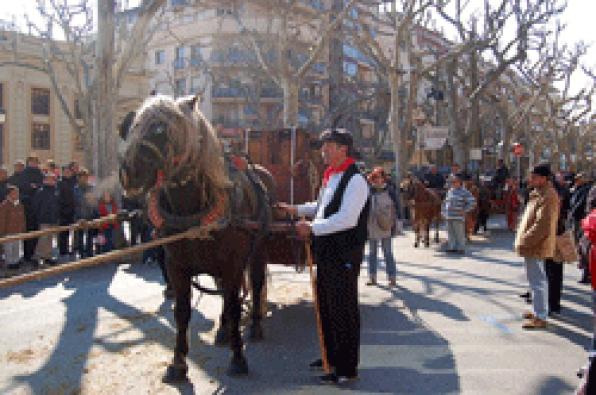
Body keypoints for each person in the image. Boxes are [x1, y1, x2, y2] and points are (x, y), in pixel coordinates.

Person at [277, 128, 369, 385]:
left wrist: (312, 228)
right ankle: (330, 356)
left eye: (329, 146)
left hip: (345, 254)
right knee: (326, 306)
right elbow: (321, 209)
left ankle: (346, 368)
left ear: (343, 150)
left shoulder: (356, 181)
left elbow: (347, 219)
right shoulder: (331, 178)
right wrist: (295, 209)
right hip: (327, 253)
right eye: (323, 146)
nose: (323, 151)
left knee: (343, 310)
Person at [514, 163, 559, 329]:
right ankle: (538, 310)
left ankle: (541, 316)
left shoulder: (548, 196)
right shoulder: (539, 193)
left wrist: (526, 239)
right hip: (533, 243)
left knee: (538, 280)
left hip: (536, 244)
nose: (530, 179)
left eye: (534, 177)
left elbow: (543, 224)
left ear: (544, 178)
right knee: (534, 279)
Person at [544, 175, 571, 316]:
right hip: (557, 234)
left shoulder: (553, 196)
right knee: (555, 272)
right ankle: (554, 304)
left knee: (551, 272)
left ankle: (552, 304)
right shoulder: (561, 192)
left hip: (553, 237)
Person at [366, 167, 397, 287]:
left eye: (380, 177)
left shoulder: (390, 191)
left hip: (386, 225)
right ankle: (372, 277)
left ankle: (392, 277)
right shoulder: (368, 191)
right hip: (372, 225)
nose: (378, 180)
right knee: (372, 253)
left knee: (388, 252)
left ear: (384, 178)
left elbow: (397, 207)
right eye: (376, 177)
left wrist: (397, 223)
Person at [17, 155, 44, 264]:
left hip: (38, 207)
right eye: (31, 161)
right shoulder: (24, 173)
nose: (33, 163)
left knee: (36, 231)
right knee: (27, 231)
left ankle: (34, 253)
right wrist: (30, 187)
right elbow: (21, 187)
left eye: (35, 161)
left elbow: (42, 186)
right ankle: (27, 254)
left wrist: (36, 186)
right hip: (27, 206)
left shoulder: (40, 173)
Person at [441, 174, 476, 253]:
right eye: (452, 182)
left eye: (455, 182)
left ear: (460, 182)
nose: (453, 183)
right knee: (450, 232)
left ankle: (461, 248)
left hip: (458, 216)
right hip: (449, 216)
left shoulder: (465, 192)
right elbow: (445, 202)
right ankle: (452, 247)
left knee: (459, 233)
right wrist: (443, 212)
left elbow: (473, 202)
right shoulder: (450, 191)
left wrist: (464, 210)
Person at [31, 172, 60, 266]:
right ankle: (37, 256)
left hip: (53, 218)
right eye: (49, 179)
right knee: (43, 238)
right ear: (45, 180)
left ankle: (47, 256)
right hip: (44, 219)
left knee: (50, 239)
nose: (52, 181)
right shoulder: (41, 191)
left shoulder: (56, 191)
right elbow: (36, 205)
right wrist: (38, 216)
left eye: (53, 179)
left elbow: (58, 205)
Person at [569, 173, 593, 283]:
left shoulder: (587, 189)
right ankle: (586, 271)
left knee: (584, 246)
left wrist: (573, 213)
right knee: (582, 245)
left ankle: (587, 273)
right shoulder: (579, 189)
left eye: (578, 179)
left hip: (584, 220)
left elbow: (582, 204)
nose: (576, 181)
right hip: (583, 219)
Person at [0, 185, 26, 270]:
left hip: (17, 231)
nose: (16, 194)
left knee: (17, 247)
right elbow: (2, 220)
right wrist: (2, 232)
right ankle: (9, 263)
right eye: (14, 193)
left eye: (17, 193)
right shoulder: (4, 205)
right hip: (8, 231)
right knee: (8, 249)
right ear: (9, 194)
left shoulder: (19, 204)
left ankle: (15, 262)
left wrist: (23, 228)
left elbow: (22, 218)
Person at [74, 168, 98, 258]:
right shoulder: (76, 189)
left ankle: (89, 253)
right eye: (82, 177)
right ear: (79, 178)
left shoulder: (92, 188)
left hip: (90, 214)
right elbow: (75, 201)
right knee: (80, 236)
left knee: (90, 236)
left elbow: (95, 201)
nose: (84, 179)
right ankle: (81, 253)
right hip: (79, 215)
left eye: (86, 177)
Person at [58, 165, 77, 258]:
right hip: (63, 211)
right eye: (65, 171)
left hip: (73, 210)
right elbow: (58, 197)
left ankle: (73, 249)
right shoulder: (60, 183)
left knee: (74, 231)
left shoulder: (74, 182)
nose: (67, 173)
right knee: (63, 232)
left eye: (68, 171)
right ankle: (63, 251)